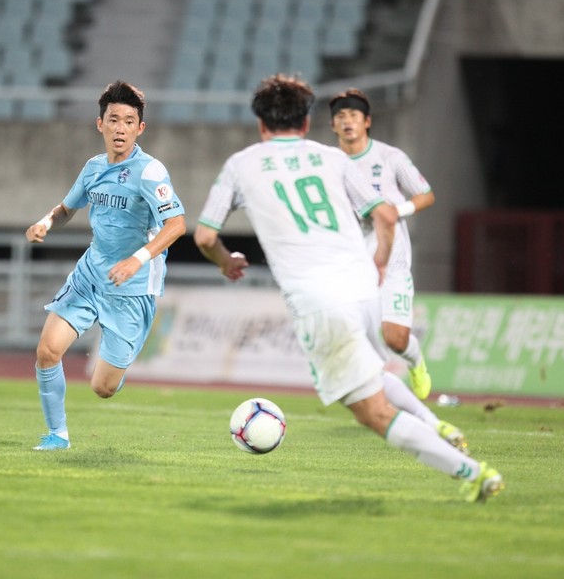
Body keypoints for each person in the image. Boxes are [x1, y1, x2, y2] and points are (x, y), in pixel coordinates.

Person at [194, 74, 503, 502]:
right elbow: (387, 216)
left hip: (319, 301)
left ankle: (473, 473)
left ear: (262, 124)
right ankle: (438, 426)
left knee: (372, 412)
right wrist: (377, 263)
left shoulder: (241, 165)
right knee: (375, 371)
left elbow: (205, 237)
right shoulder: (334, 159)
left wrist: (227, 262)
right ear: (306, 123)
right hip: (361, 287)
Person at [25, 81, 187, 451]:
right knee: (47, 351)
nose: (120, 128)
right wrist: (45, 223)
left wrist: (137, 258)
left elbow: (177, 224)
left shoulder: (150, 172)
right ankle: (57, 435)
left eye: (129, 121)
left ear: (140, 129)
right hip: (90, 274)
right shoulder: (93, 167)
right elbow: (67, 209)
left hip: (131, 287)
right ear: (100, 124)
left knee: (103, 388)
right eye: (114, 119)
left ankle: (118, 364)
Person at [329, 88, 434, 400]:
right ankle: (371, 395)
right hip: (349, 261)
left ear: (367, 122)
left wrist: (395, 211)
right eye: (340, 117)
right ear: (333, 125)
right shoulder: (327, 163)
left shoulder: (390, 157)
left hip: (392, 259)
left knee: (395, 338)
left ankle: (415, 361)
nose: (347, 122)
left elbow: (426, 194)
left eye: (353, 116)